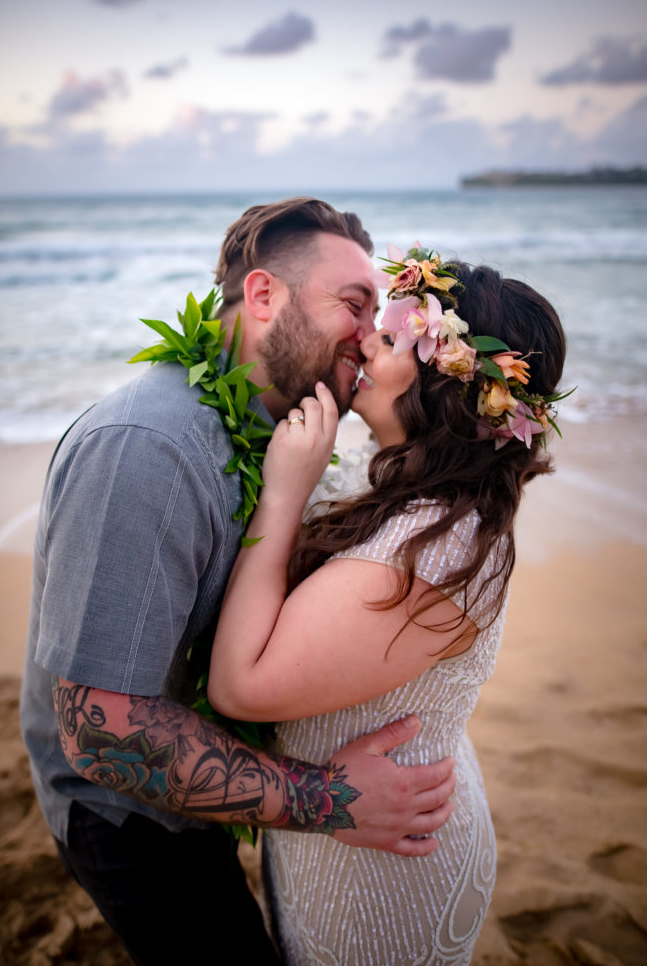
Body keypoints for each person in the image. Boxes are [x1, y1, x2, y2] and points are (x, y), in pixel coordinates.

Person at [20, 201, 457, 966]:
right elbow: (98, 729)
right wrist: (330, 800)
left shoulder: (275, 426)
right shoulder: (147, 450)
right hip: (127, 816)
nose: (370, 334)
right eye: (352, 306)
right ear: (262, 297)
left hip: (203, 787)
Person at [208, 249, 567, 964]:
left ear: (449, 385)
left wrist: (281, 495)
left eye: (397, 337)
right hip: (371, 819)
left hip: (381, 886)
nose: (368, 337)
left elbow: (239, 685)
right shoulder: (412, 495)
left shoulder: (432, 551)